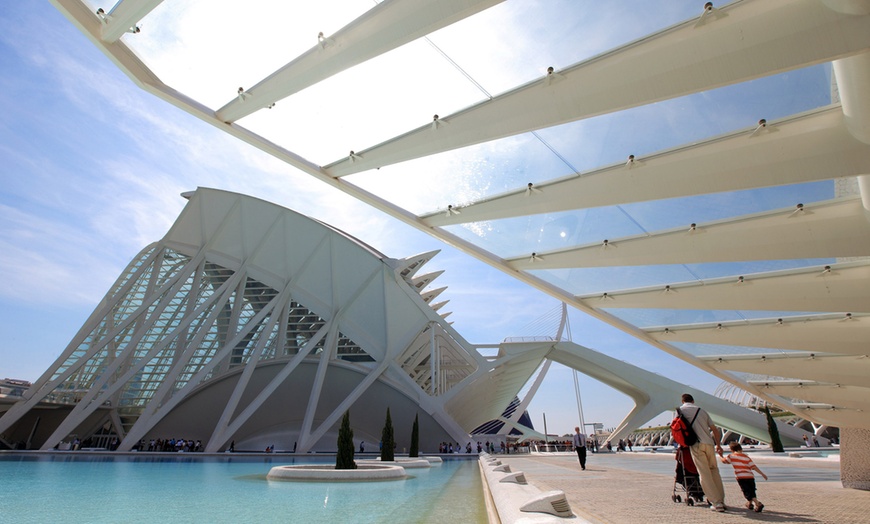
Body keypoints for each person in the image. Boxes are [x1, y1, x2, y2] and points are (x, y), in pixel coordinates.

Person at [679, 393, 727, 512]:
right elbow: (715, 429)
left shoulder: (680, 410)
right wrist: (719, 445)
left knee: (704, 473)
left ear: (682, 401)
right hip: (709, 444)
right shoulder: (702, 411)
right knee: (714, 471)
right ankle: (721, 499)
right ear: (693, 400)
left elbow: (677, 428)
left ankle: (716, 503)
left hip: (696, 444)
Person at [719, 442, 767, 512]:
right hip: (750, 476)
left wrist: (721, 456)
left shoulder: (731, 456)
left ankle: (758, 503)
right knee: (751, 490)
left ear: (731, 449)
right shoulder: (746, 457)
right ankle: (749, 504)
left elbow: (724, 461)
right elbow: (753, 467)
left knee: (746, 491)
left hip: (741, 477)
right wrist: (762, 474)